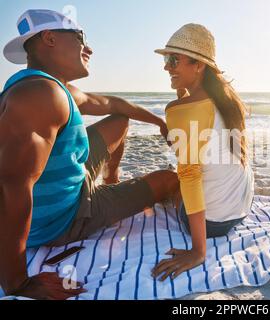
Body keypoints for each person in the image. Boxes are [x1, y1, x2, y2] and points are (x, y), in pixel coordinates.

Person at [0, 9, 179, 300]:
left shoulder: (50, 88)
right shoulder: (40, 97)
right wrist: (17, 282)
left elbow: (112, 103)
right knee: (169, 180)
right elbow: (11, 188)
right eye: (81, 38)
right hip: (65, 219)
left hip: (72, 182)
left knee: (119, 120)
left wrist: (160, 122)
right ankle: (104, 199)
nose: (90, 48)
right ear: (50, 38)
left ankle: (110, 181)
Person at [151, 24, 255, 281]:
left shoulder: (179, 110)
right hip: (241, 208)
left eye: (173, 59)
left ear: (198, 65)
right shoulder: (228, 100)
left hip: (212, 224)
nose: (166, 66)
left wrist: (198, 251)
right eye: (166, 59)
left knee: (170, 180)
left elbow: (189, 175)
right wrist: (182, 95)